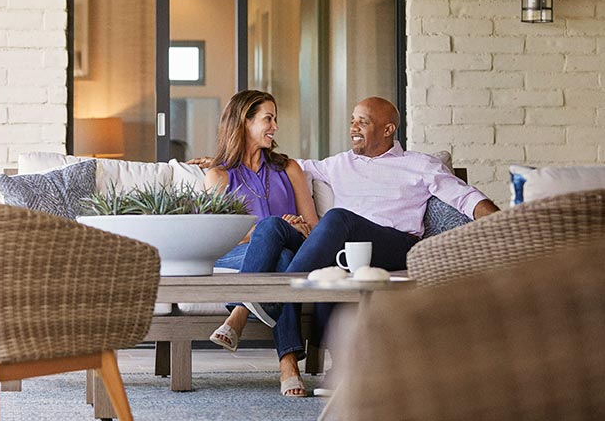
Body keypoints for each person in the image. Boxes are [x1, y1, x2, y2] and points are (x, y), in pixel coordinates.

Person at [194, 96, 500, 397]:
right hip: (348, 251)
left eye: (362, 122)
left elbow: (465, 197)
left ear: (388, 129)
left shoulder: (419, 164)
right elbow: (270, 163)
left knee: (338, 219)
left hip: (395, 245)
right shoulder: (337, 164)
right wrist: (216, 162)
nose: (353, 127)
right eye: (352, 120)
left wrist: (503, 223)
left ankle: (272, 298)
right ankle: (338, 367)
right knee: (327, 266)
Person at [203, 90, 319, 397]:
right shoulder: (219, 176)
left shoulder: (289, 168)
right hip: (239, 254)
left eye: (275, 118)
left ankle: (239, 310)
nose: (275, 126)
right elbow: (217, 238)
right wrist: (264, 230)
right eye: (268, 118)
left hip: (294, 243)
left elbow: (315, 228)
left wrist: (294, 225)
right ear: (245, 122)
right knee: (278, 257)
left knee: (278, 238)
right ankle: (289, 366)